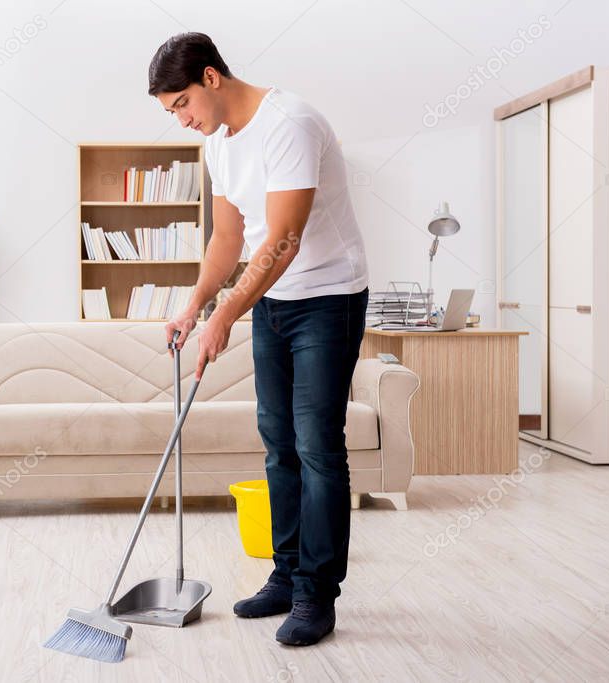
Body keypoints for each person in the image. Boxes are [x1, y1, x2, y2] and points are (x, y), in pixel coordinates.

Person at [150, 32, 370, 646]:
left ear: (212, 78)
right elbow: (228, 240)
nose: (183, 120)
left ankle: (316, 595)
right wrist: (195, 305)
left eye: (182, 105)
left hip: (328, 297)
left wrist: (226, 316)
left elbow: (282, 241)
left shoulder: (289, 123)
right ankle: (286, 572)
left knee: (317, 445)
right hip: (272, 301)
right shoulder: (219, 143)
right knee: (277, 441)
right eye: (171, 113)